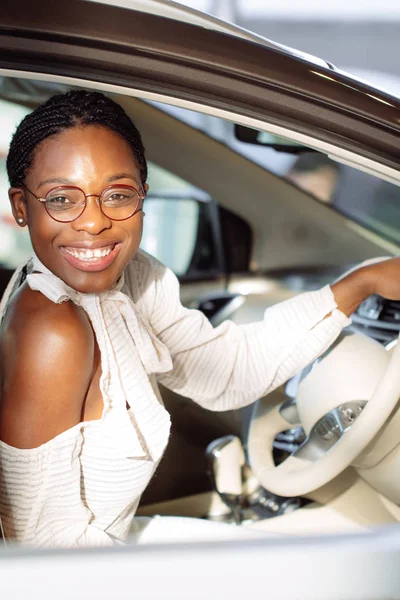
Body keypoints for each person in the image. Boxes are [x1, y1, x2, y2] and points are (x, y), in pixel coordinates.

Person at [0, 91, 399, 549]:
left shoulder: (129, 277)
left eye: (117, 194)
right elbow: (38, 556)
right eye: (62, 199)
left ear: (143, 197)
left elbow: (227, 372)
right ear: (21, 207)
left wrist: (359, 285)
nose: (94, 223)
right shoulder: (53, 330)